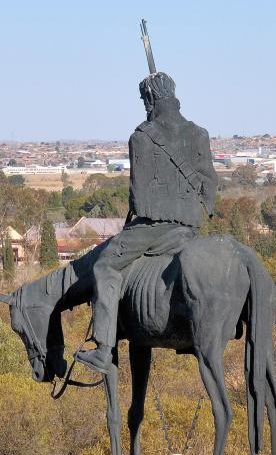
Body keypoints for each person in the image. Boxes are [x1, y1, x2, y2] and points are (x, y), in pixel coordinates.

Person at [74, 71, 218, 373]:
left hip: (157, 229)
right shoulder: (199, 133)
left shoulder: (141, 136)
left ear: (150, 98)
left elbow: (139, 199)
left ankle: (102, 348)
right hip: (191, 226)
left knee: (104, 266)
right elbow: (210, 185)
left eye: (144, 100)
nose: (144, 105)